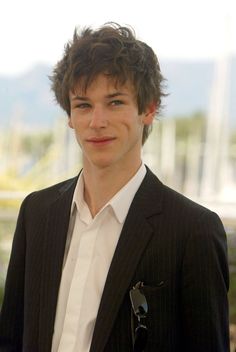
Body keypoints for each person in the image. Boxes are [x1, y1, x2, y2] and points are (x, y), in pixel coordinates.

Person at [0, 23, 229, 352]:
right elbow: (10, 338)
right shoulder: (36, 212)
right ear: (69, 116)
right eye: (83, 105)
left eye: (115, 102)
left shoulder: (193, 231)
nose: (97, 121)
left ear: (148, 109)